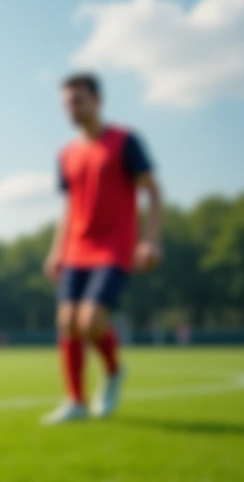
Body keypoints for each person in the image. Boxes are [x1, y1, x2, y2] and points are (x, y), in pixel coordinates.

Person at [42, 73, 163, 425]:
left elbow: (153, 191)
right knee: (67, 322)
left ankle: (113, 370)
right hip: (76, 247)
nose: (72, 109)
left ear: (97, 101)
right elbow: (69, 208)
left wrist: (151, 239)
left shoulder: (125, 141)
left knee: (90, 320)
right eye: (67, 103)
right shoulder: (66, 154)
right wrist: (56, 250)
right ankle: (76, 401)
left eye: (78, 101)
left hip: (114, 245)